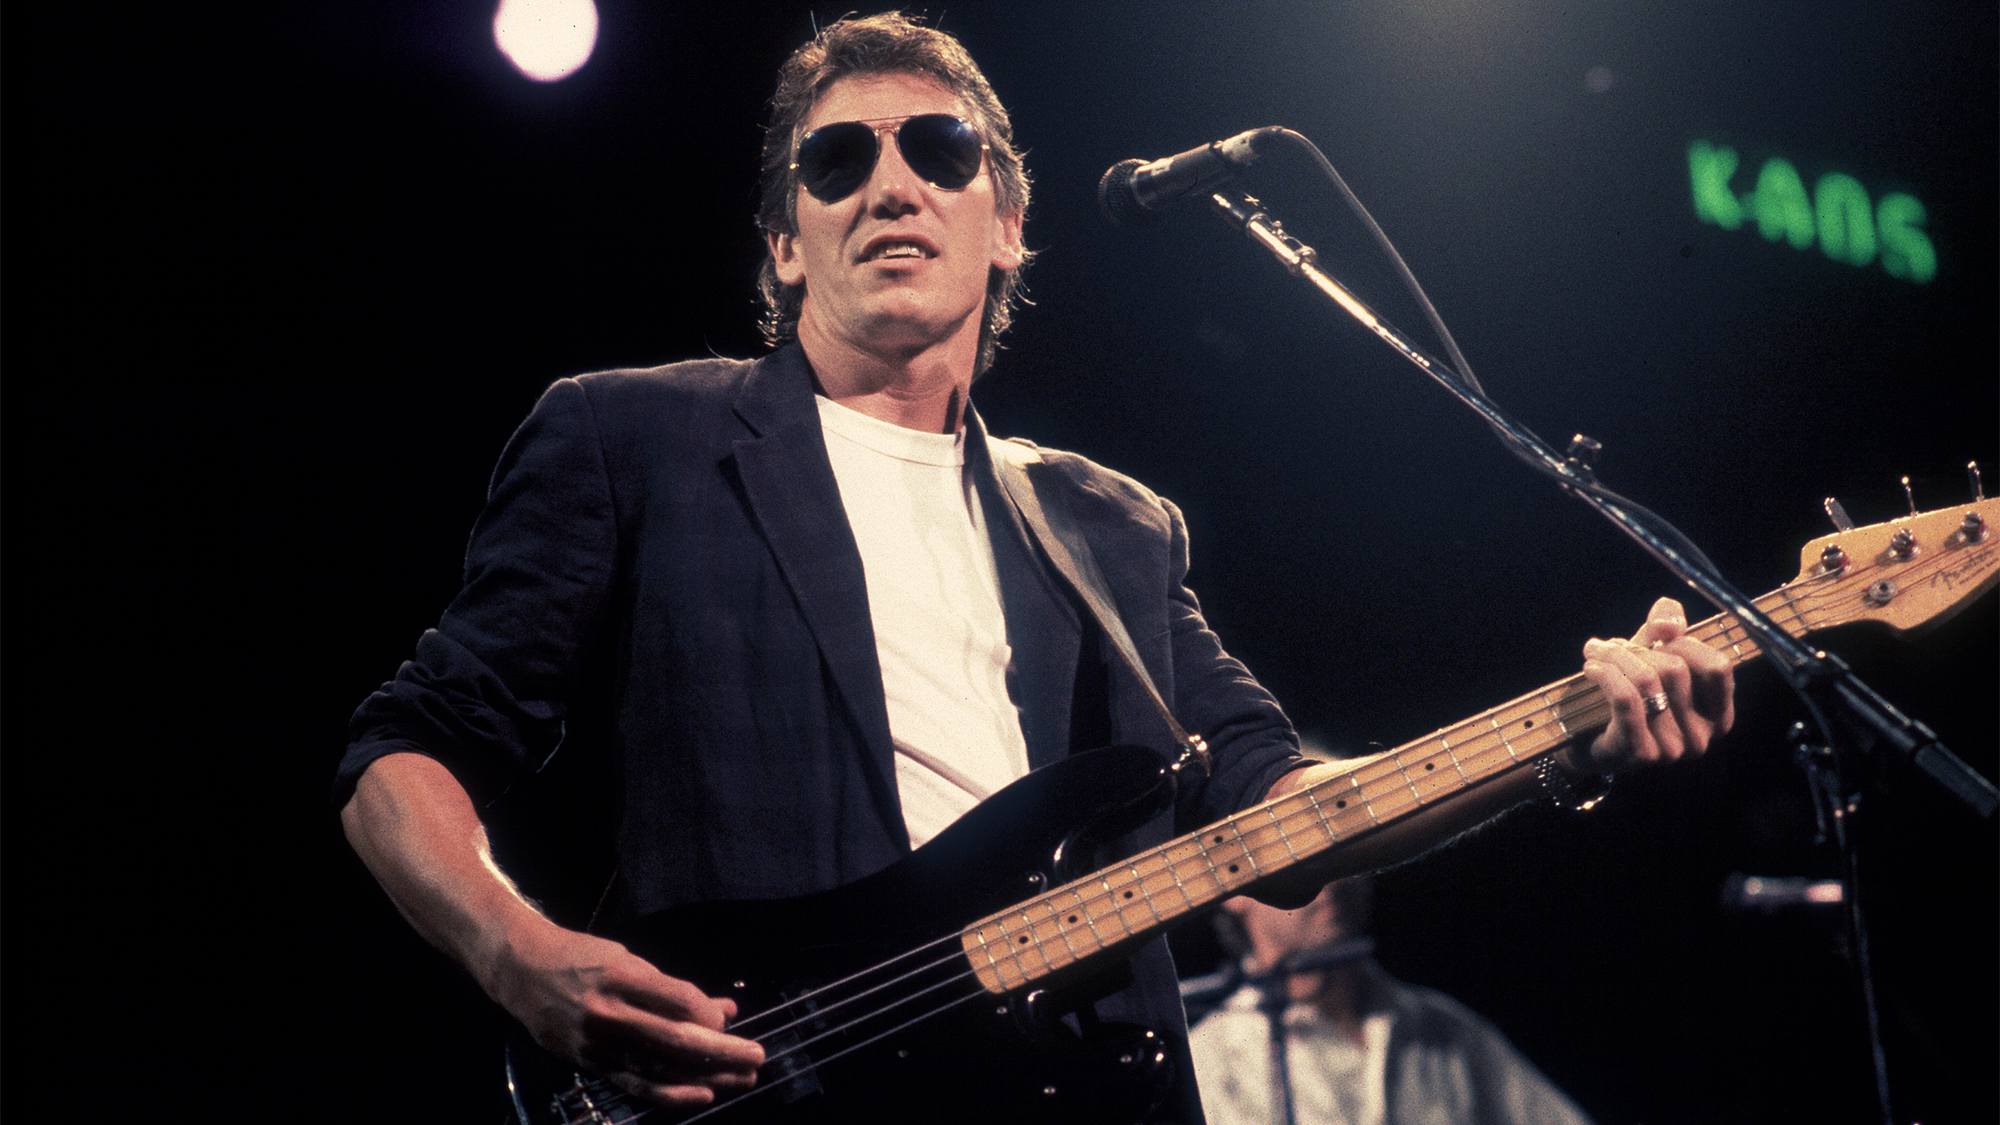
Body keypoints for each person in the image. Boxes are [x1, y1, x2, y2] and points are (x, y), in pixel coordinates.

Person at [336, 12, 1734, 1123]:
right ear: (783, 241)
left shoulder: (1111, 524)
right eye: (838, 162)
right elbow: (410, 745)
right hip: (760, 1084)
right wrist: (514, 949)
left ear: (1005, 222)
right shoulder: (629, 434)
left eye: (941, 151)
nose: (891, 183)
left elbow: (1284, 808)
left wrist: (1572, 733)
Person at [1186, 879, 1594, 1125]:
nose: (1333, 878)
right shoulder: (1207, 1063)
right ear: (1233, 888)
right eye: (1305, 858)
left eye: (1347, 849)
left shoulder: (1443, 1030)